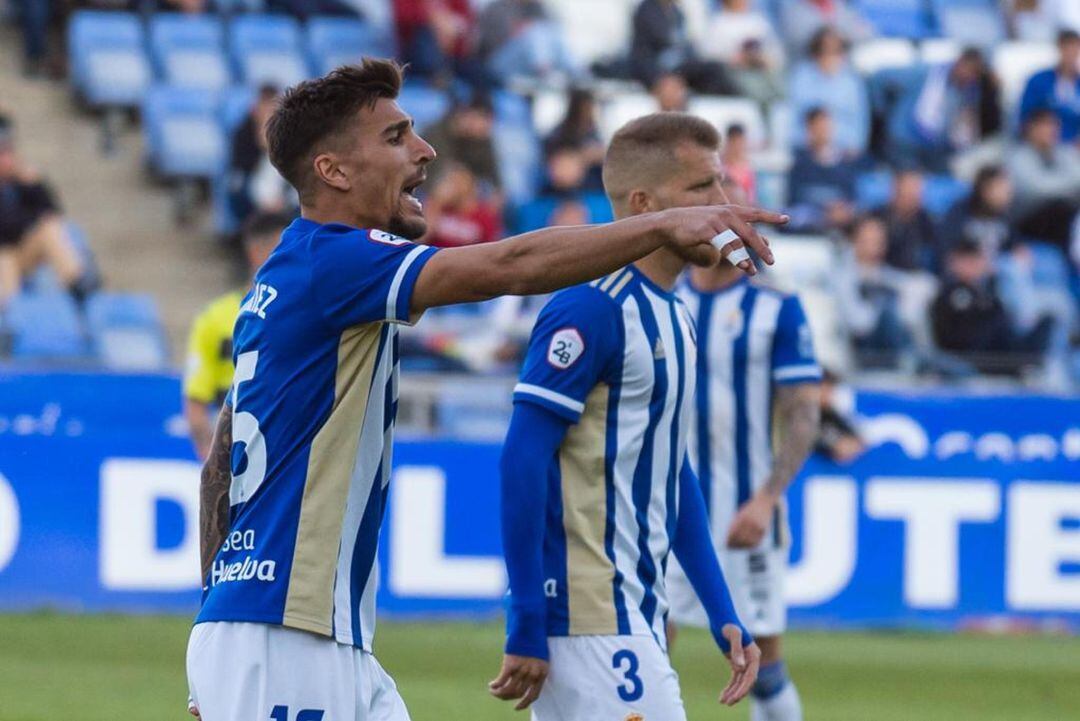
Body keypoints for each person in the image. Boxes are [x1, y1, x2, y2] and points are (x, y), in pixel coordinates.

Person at [187, 59, 785, 721]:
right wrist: (659, 226)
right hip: (283, 635)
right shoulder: (335, 261)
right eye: (396, 137)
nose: (425, 150)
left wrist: (216, 614)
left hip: (298, 632)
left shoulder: (287, 276)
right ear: (333, 171)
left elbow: (221, 458)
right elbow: (507, 264)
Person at [493, 112, 762, 720]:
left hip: (635, 609)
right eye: (701, 189)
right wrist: (529, 615)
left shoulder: (675, 315)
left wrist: (721, 610)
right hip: (587, 617)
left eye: (721, 185)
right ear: (643, 203)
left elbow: (670, 472)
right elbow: (522, 458)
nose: (722, 205)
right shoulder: (589, 308)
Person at [666, 205, 823, 721]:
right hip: (663, 512)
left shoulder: (777, 309)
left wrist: (766, 500)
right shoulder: (665, 299)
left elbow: (803, 415)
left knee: (764, 664)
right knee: (648, 649)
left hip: (745, 515)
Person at [183, 212, 289, 461]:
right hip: (234, 454)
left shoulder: (304, 315)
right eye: (284, 248)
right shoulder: (214, 319)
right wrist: (214, 463)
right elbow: (196, 402)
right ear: (256, 252)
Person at [0, 116, 91, 309]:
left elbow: (53, 212)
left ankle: (78, 286)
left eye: (8, 152)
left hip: (23, 250)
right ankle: (9, 322)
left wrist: (33, 186)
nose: (6, 159)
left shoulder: (22, 180)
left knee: (50, 229)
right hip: (3, 255)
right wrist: (29, 220)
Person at [931, 239, 1053, 375]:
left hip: (996, 347)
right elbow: (953, 333)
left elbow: (1001, 316)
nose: (973, 265)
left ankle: (1026, 356)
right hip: (971, 353)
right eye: (967, 260)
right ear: (954, 262)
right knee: (997, 328)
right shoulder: (950, 293)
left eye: (976, 259)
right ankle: (1024, 357)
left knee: (1046, 320)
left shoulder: (987, 293)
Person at [885, 48, 1002, 172]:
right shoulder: (925, 72)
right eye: (970, 70)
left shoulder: (970, 95)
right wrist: (881, 110)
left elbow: (970, 132)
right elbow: (883, 78)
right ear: (960, 62)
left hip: (937, 151)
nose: (970, 76)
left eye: (976, 74)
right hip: (904, 143)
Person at [1007, 107, 1080, 250]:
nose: (1050, 130)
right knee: (1060, 208)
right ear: (1030, 127)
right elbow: (1038, 189)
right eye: (1045, 125)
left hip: (1064, 215)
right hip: (1029, 219)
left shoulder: (1064, 152)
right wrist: (1070, 187)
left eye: (1054, 125)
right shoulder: (1018, 157)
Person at [788, 28, 869, 155]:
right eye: (824, 51)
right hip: (806, 150)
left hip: (843, 151)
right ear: (815, 53)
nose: (830, 57)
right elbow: (792, 117)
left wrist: (854, 148)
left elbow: (860, 122)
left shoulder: (851, 82)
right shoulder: (801, 77)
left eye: (836, 51)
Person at [629, 0, 736, 96]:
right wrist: (658, 80)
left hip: (680, 66)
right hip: (660, 69)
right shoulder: (646, 10)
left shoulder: (677, 12)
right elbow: (642, 53)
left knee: (715, 70)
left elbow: (684, 45)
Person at [787, 107, 862, 233]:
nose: (822, 131)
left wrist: (843, 212)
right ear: (808, 130)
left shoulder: (846, 166)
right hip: (807, 234)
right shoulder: (799, 166)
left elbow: (853, 203)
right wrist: (823, 215)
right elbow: (792, 207)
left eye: (825, 126)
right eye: (817, 127)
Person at [1018, 29, 1080, 143]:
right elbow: (1025, 117)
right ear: (1059, 48)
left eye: (1075, 49)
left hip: (1074, 149)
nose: (1071, 53)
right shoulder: (1038, 81)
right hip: (1040, 147)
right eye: (1067, 48)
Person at [420, 163, 502, 247]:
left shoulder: (484, 215)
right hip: (439, 257)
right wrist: (437, 203)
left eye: (459, 182)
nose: (454, 187)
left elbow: (492, 248)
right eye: (450, 181)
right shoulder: (437, 208)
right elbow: (421, 240)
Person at [876, 169, 942, 273]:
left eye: (917, 190)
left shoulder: (925, 220)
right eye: (909, 189)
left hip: (914, 275)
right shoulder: (877, 218)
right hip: (882, 271)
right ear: (896, 190)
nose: (913, 194)